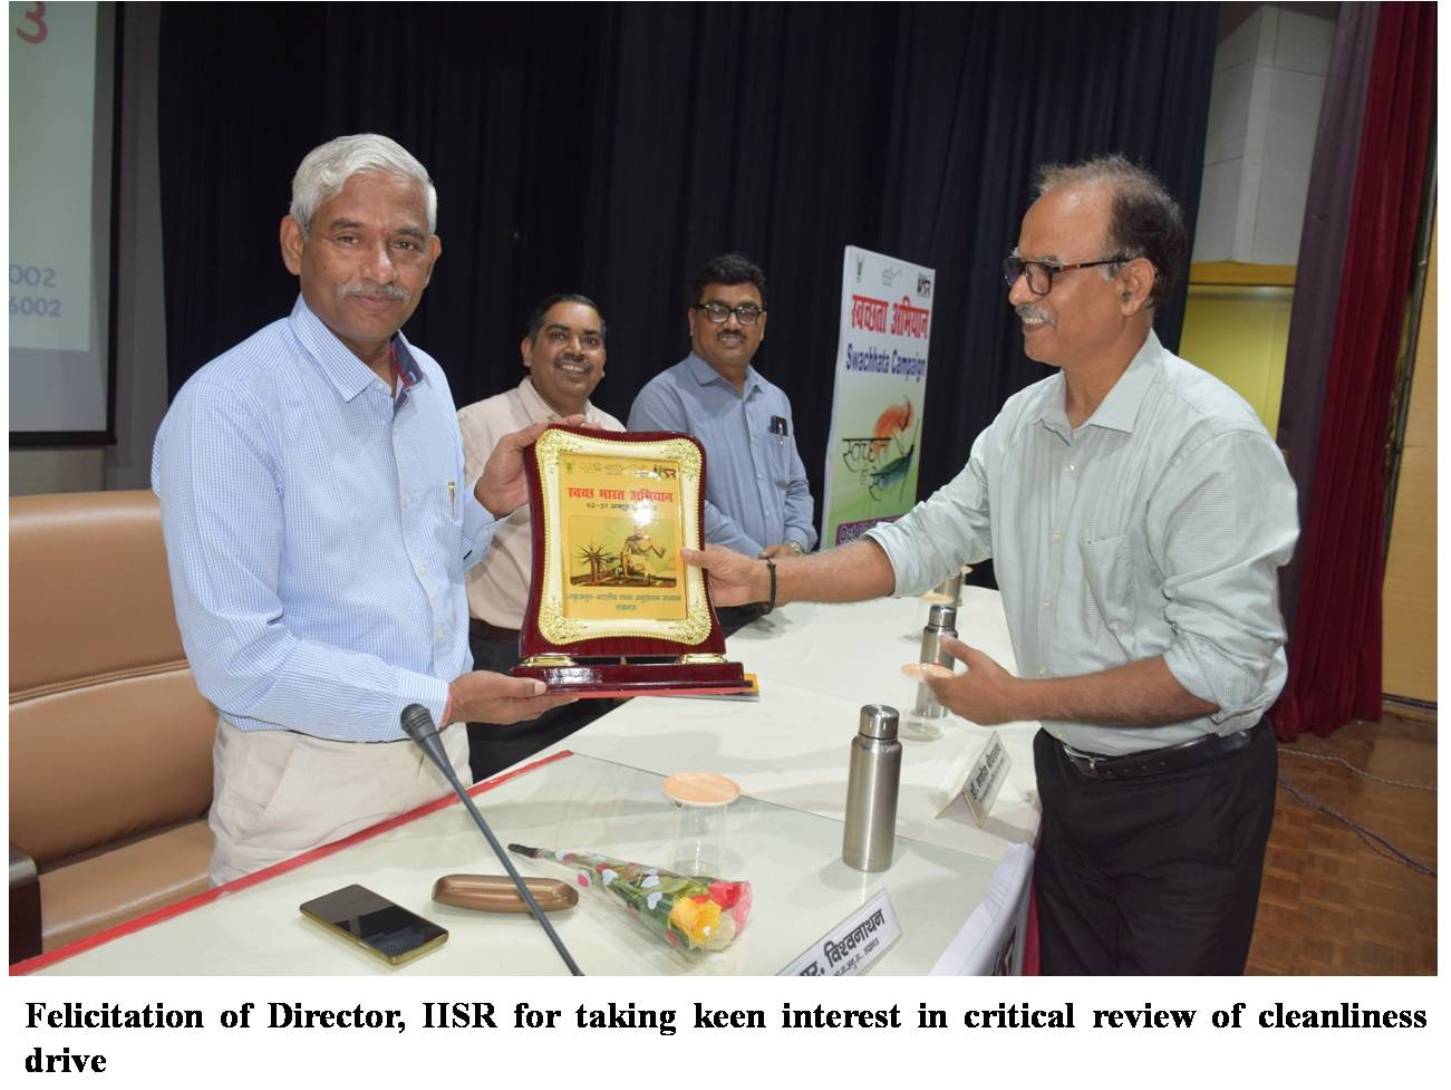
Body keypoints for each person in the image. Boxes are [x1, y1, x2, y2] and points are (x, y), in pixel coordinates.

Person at [686, 155, 1298, 975]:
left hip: (1185, 805)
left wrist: (1018, 700)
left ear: (1131, 284)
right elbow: (922, 540)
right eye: (1017, 267)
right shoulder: (1021, 423)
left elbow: (1218, 669)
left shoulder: (1209, 442)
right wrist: (767, 580)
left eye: (1045, 270)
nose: (1016, 292)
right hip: (1070, 783)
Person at [152, 134, 575, 886]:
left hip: (442, 759)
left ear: (431, 259)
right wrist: (442, 700)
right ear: (295, 245)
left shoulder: (429, 383)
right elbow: (239, 662)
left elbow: (417, 566)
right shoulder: (227, 407)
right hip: (309, 781)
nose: (380, 269)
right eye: (349, 238)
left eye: (404, 244)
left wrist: (483, 509)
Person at [456, 294, 625, 781]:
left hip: (595, 660)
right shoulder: (476, 425)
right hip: (505, 658)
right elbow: (443, 542)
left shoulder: (615, 433)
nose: (576, 350)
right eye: (559, 335)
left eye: (590, 340)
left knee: (588, 795)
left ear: (603, 361)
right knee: (506, 804)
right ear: (528, 350)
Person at [628, 253, 817, 626]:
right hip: (701, 605)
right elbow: (676, 502)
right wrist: (762, 569)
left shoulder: (775, 399)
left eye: (747, 312)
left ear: (762, 325)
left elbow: (796, 487)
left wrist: (793, 548)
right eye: (717, 310)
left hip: (773, 597)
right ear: (692, 320)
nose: (732, 323)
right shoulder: (662, 399)